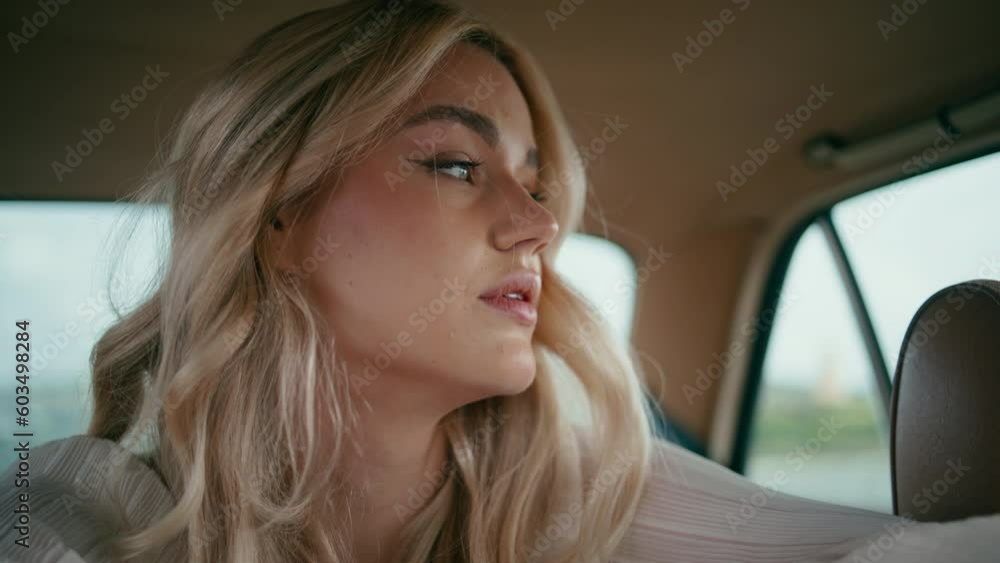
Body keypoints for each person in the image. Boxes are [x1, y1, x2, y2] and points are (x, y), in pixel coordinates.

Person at [2, 1, 998, 561]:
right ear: (278, 216)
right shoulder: (87, 505)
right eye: (452, 165)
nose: (538, 223)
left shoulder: (582, 488)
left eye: (532, 179)